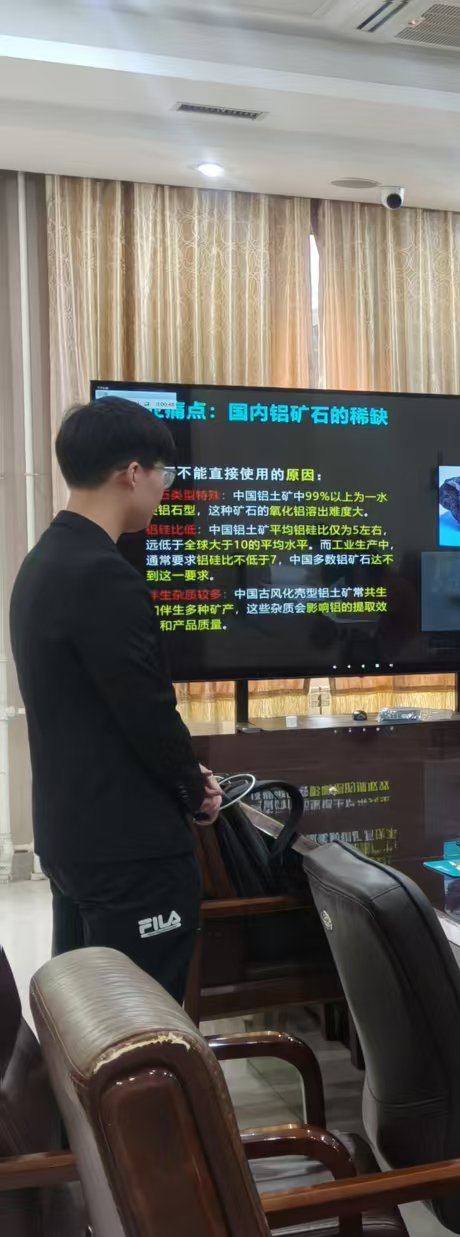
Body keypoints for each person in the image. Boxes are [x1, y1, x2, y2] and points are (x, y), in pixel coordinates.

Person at [10, 397, 222, 1001]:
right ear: (132, 473)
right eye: (164, 475)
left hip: (73, 834)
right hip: (130, 849)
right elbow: (146, 710)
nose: (164, 490)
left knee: (88, 1016)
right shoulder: (103, 575)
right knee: (141, 1023)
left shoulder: (42, 563)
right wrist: (193, 788)